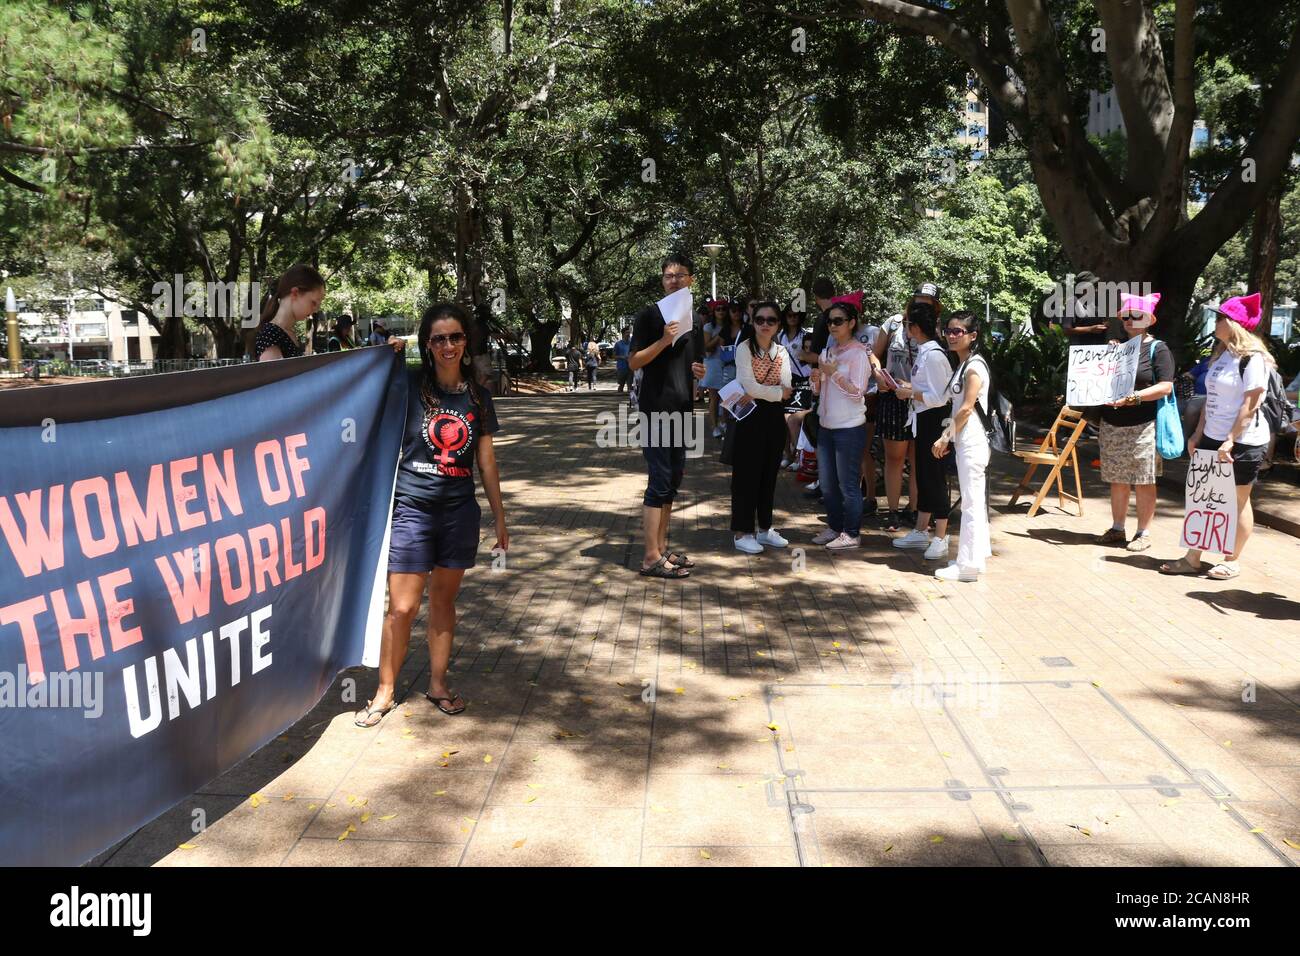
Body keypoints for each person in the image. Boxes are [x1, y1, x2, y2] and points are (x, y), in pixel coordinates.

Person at [354, 302, 508, 726]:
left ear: (465, 341)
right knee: (401, 607)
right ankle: (384, 691)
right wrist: (384, 353)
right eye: (438, 338)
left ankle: (438, 684)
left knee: (443, 602)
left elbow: (487, 461)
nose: (447, 345)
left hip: (458, 512)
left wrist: (499, 515)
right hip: (412, 508)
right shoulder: (406, 385)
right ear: (427, 344)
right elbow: (365, 388)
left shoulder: (478, 396)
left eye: (455, 337)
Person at [1160, 292, 1273, 581]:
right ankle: (1193, 558)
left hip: (1243, 441)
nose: (1215, 322)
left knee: (1237, 500)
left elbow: (1251, 404)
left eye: (1219, 317)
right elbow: (1210, 398)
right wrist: (1198, 433)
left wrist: (1231, 440)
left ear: (1232, 323)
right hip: (1211, 437)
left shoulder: (1253, 359)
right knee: (1204, 499)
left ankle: (1231, 561)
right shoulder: (1221, 354)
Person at [629, 253, 706, 578]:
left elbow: (694, 366)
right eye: (668, 275)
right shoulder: (649, 316)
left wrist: (699, 373)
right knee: (659, 481)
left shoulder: (697, 322)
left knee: (673, 482)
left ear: (690, 280)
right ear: (663, 281)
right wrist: (664, 340)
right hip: (655, 409)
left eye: (680, 275)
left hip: (682, 410)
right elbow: (634, 362)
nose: (673, 280)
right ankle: (649, 557)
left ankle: (661, 549)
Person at [1094, 293, 1175, 552]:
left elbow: (1165, 386)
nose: (1129, 320)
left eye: (1135, 316)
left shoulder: (1158, 349)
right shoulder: (1116, 348)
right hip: (1112, 422)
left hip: (1144, 424)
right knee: (1117, 478)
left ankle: (1143, 532)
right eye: (1125, 316)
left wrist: (1135, 397)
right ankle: (1118, 528)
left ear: (1149, 319)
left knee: (1143, 479)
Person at [931, 311, 991, 581]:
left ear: (972, 336)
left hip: (972, 439)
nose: (952, 335)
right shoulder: (964, 364)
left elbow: (966, 408)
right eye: (949, 330)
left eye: (958, 331)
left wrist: (945, 436)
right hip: (965, 438)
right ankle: (974, 560)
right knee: (972, 500)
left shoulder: (974, 367)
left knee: (971, 502)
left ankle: (967, 566)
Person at [730, 301, 793, 553]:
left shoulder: (783, 351)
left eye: (771, 320)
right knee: (746, 476)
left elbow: (787, 387)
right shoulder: (744, 349)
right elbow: (748, 386)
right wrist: (775, 392)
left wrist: (764, 393)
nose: (765, 325)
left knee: (769, 475)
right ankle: (741, 532)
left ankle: (765, 528)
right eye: (760, 320)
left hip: (774, 418)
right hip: (749, 418)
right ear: (752, 321)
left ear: (778, 324)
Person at [892, 298, 952, 561]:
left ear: (915, 327)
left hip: (935, 421)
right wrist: (909, 389)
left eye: (907, 324)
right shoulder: (926, 352)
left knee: (935, 477)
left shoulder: (934, 354)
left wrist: (909, 393)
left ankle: (941, 536)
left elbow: (941, 397)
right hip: (923, 420)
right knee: (925, 476)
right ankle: (921, 530)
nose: (906, 328)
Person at [811, 300, 870, 550]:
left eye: (838, 321)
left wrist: (833, 373)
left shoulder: (859, 353)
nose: (833, 325)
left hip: (850, 426)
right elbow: (819, 391)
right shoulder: (827, 351)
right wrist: (817, 379)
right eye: (830, 321)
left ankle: (852, 533)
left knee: (848, 484)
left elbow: (858, 392)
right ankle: (835, 527)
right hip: (826, 425)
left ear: (851, 323)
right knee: (827, 483)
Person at [871, 289, 930, 530]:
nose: (922, 308)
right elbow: (874, 356)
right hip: (893, 399)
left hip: (921, 401)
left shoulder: (936, 331)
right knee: (894, 459)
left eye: (929, 305)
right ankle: (893, 512)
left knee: (919, 461)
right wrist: (878, 375)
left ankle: (915, 510)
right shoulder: (894, 323)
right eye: (919, 303)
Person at [254, 264, 324, 361]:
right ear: (295, 293)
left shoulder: (288, 333)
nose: (316, 309)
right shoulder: (270, 333)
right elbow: (277, 375)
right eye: (313, 302)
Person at [778, 304, 811, 467]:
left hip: (803, 381)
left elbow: (811, 358)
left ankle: (799, 456)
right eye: (789, 315)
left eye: (795, 315)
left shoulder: (805, 335)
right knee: (782, 419)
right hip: (784, 382)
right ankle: (787, 454)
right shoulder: (779, 336)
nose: (792, 318)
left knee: (795, 419)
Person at [700, 300, 729, 433]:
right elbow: (707, 347)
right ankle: (714, 426)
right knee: (714, 397)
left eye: (723, 309)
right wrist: (720, 336)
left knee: (727, 396)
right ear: (713, 311)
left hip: (728, 364)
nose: (721, 311)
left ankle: (724, 421)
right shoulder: (708, 327)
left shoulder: (732, 326)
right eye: (718, 309)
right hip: (712, 363)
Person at [614, 326, 633, 393]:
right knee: (621, 385)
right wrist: (623, 357)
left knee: (630, 386)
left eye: (629, 333)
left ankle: (629, 401)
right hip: (622, 367)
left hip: (631, 367)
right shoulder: (618, 344)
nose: (628, 334)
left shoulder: (632, 343)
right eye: (626, 333)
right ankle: (619, 400)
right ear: (623, 334)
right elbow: (614, 357)